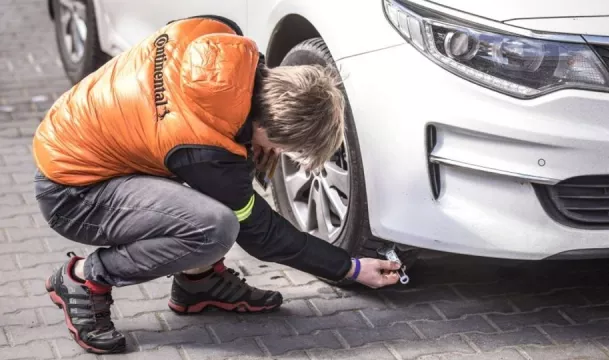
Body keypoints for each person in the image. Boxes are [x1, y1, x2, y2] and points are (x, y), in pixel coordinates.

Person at [33, 15, 401, 354]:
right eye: (282, 148)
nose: (276, 154)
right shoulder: (208, 152)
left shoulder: (222, 35)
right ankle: (84, 278)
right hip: (72, 191)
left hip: (73, 133)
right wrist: (350, 268)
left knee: (212, 193)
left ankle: (199, 284)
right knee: (215, 226)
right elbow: (264, 236)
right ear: (273, 132)